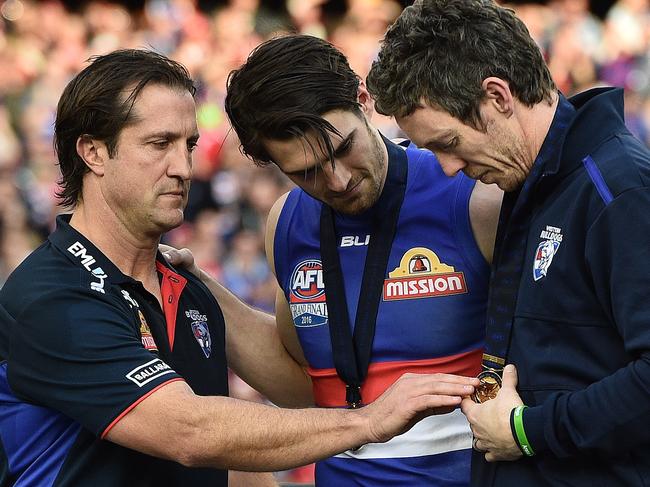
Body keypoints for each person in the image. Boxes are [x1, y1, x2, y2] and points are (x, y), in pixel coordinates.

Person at [0, 49, 483, 487]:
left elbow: (232, 456)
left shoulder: (182, 289)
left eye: (188, 146)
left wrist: (206, 293)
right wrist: (371, 421)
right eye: (158, 143)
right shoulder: (52, 296)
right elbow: (193, 432)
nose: (183, 169)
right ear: (93, 153)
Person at [366, 0, 650, 486]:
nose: (450, 169)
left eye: (448, 144)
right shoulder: (528, 183)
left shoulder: (618, 190)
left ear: (498, 96)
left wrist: (528, 430)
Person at [211, 34, 502, 486]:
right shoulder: (286, 223)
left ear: (364, 100)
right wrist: (197, 286)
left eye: (343, 147)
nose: (338, 179)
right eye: (305, 172)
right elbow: (305, 387)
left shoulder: (473, 196)